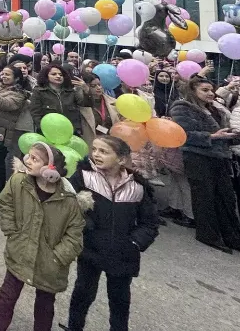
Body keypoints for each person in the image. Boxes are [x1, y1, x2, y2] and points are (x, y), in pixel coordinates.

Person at [0, 142, 85, 331]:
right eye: (27, 156)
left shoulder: (69, 200)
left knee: (45, 306)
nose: (27, 161)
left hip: (50, 264)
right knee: (6, 297)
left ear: (50, 169)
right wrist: (11, 230)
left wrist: (58, 257)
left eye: (34, 159)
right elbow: (6, 202)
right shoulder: (19, 182)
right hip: (21, 252)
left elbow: (75, 234)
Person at [64, 135, 160, 331]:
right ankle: (74, 327)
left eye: (104, 151)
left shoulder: (137, 187)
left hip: (123, 254)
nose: (96, 154)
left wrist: (134, 243)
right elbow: (67, 204)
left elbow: (149, 223)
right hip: (91, 248)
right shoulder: (84, 177)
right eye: (95, 150)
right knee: (83, 293)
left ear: (121, 159)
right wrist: (84, 225)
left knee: (119, 300)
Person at [168, 76, 240, 253]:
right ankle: (208, 234)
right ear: (193, 90)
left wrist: (231, 135)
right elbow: (184, 134)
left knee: (226, 197)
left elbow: (220, 131)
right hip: (197, 157)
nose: (210, 93)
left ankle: (232, 236)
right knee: (205, 196)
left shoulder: (213, 108)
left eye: (211, 90)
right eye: (205, 90)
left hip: (219, 156)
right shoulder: (182, 107)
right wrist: (213, 137)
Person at [30, 64, 90, 136]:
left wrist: (86, 90)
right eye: (54, 74)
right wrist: (44, 129)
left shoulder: (71, 91)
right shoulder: (39, 91)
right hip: (48, 133)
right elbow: (36, 114)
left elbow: (86, 104)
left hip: (71, 132)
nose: (58, 76)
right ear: (46, 76)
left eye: (61, 75)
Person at [79, 71, 119, 141]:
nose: (98, 88)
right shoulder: (81, 105)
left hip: (111, 140)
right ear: (85, 87)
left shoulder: (113, 102)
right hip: (91, 141)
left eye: (99, 84)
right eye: (93, 86)